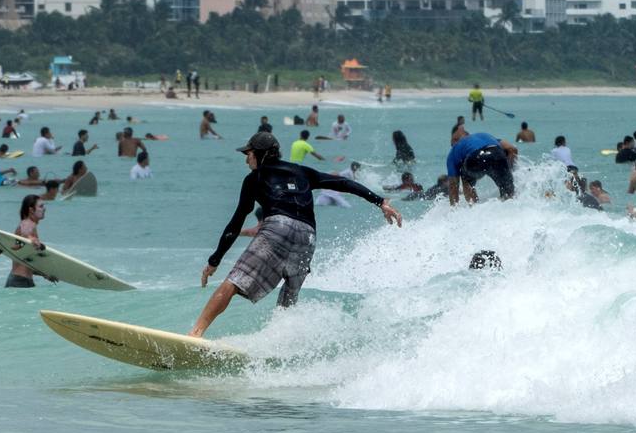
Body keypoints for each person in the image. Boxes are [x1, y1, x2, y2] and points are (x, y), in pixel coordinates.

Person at [189, 132, 402, 337]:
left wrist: (214, 260)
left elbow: (236, 223)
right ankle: (281, 343)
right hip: (308, 237)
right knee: (288, 299)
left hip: (277, 227)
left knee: (233, 282)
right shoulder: (302, 172)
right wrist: (380, 201)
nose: (246, 160)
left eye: (248, 154)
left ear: (260, 154)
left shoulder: (255, 178)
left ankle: (195, 333)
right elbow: (343, 183)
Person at [445, 128, 517, 206]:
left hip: (476, 158)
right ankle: (511, 211)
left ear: (454, 141)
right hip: (497, 154)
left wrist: (453, 210)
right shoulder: (485, 135)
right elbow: (512, 149)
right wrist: (509, 171)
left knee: (466, 180)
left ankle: (474, 208)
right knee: (509, 194)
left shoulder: (453, 151)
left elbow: (453, 186)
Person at [5, 195, 46, 288]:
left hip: (24, 280)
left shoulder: (32, 225)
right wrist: (30, 237)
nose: (44, 209)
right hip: (19, 281)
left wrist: (44, 274)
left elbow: (27, 261)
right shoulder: (27, 223)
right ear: (31, 210)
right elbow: (25, 231)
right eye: (41, 206)